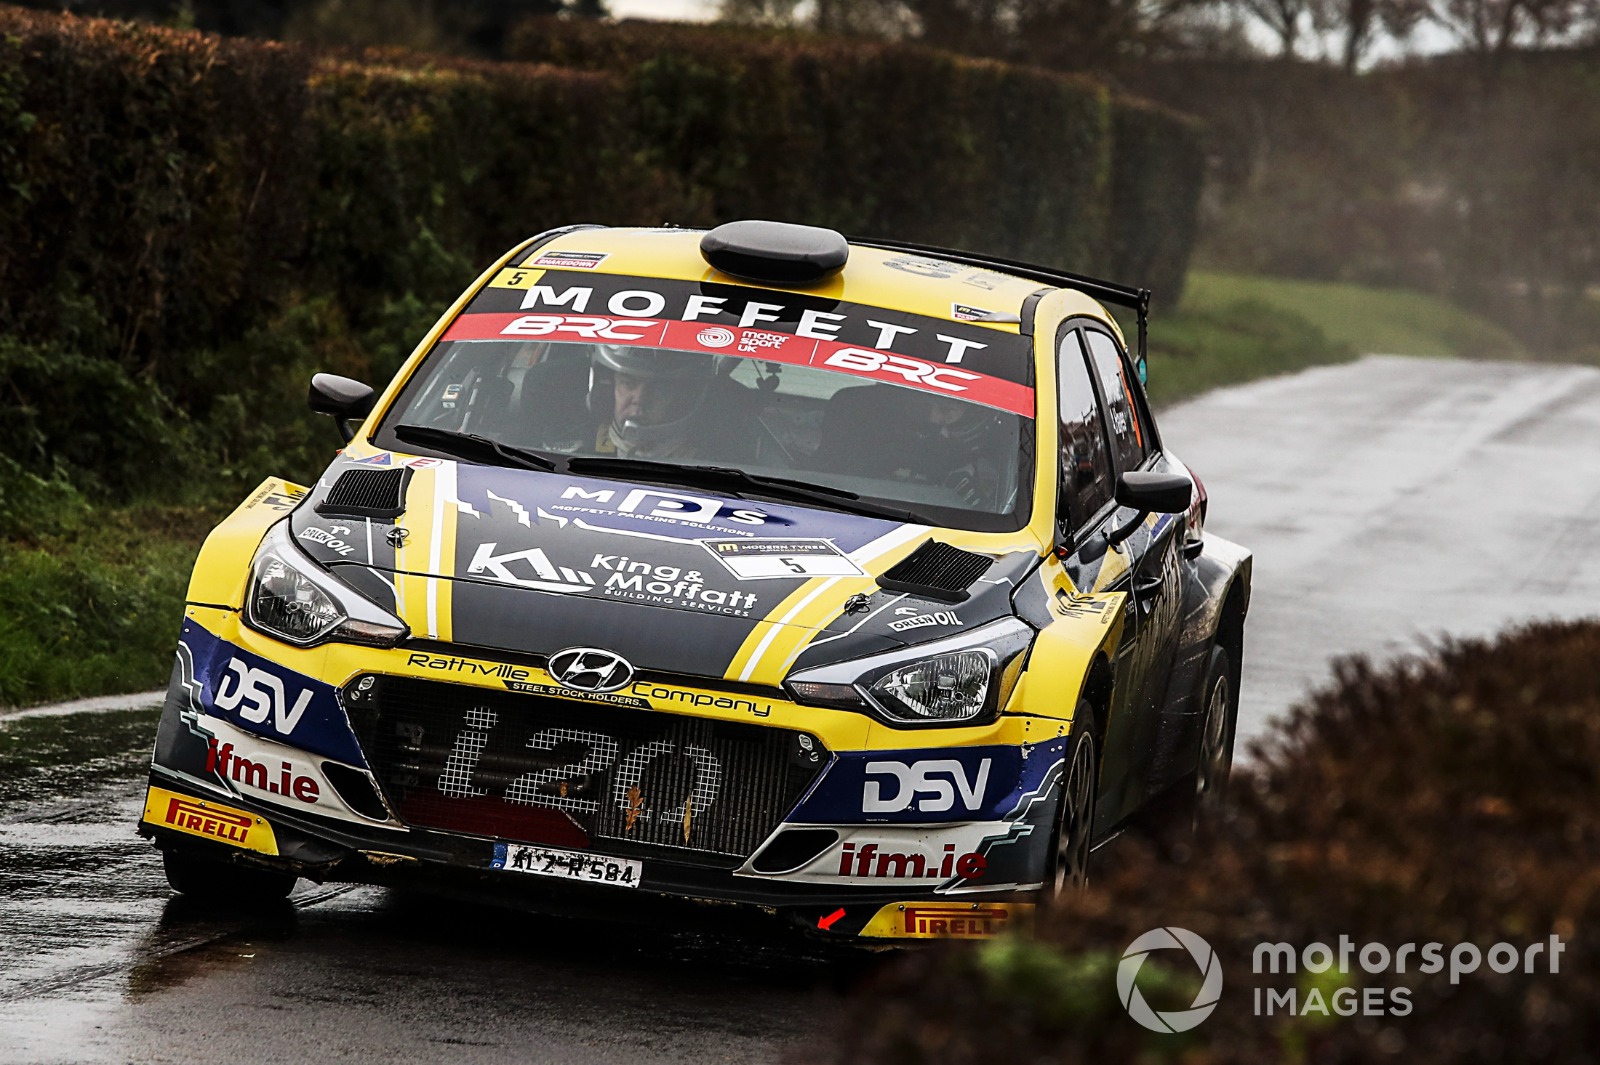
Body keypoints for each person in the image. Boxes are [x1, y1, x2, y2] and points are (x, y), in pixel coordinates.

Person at [587, 344, 721, 460]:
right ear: (609, 390)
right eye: (628, 383)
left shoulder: (716, 461)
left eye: (658, 389)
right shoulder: (580, 448)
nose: (639, 399)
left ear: (684, 399)